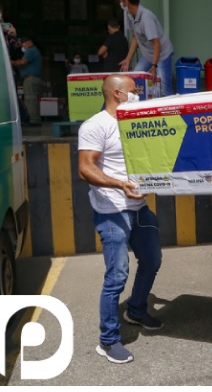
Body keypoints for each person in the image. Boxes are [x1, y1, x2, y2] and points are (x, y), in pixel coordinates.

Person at [78, 73, 164, 364]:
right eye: (133, 89)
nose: (137, 92)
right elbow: (85, 169)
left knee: (152, 260)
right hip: (112, 210)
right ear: (116, 93)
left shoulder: (134, 122)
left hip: (139, 208)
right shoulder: (96, 126)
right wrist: (120, 185)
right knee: (116, 276)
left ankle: (136, 310)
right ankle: (108, 340)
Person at [117, 0, 174, 96]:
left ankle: (171, 110)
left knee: (163, 88)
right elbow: (135, 38)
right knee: (135, 78)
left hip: (162, 55)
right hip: (148, 55)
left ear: (127, 2)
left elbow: (157, 44)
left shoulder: (146, 18)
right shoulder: (130, 16)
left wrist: (154, 66)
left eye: (121, 1)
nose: (121, 4)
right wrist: (128, 59)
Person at [11, 36, 43, 126]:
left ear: (28, 42)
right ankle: (35, 119)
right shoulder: (34, 51)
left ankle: (33, 120)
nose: (22, 46)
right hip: (34, 78)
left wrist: (12, 62)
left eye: (23, 44)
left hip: (30, 79)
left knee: (30, 99)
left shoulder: (31, 50)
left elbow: (23, 62)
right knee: (33, 99)